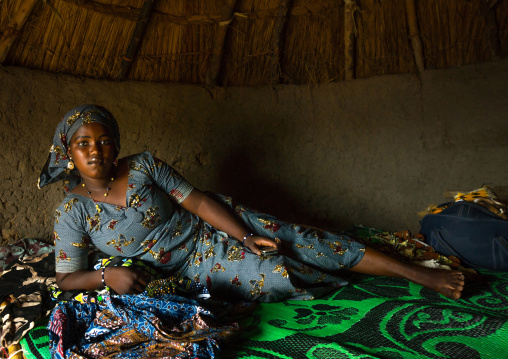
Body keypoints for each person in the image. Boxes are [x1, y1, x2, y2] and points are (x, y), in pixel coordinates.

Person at [39, 104, 465, 302]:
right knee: (280, 275)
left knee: (301, 239)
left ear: (116, 145)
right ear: (69, 153)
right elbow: (65, 280)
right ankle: (334, 274)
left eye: (104, 140)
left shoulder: (144, 166)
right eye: (82, 144)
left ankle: (416, 273)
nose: (95, 150)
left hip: (216, 230)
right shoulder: (72, 212)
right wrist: (106, 276)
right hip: (183, 273)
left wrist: (243, 234)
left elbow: (200, 203)